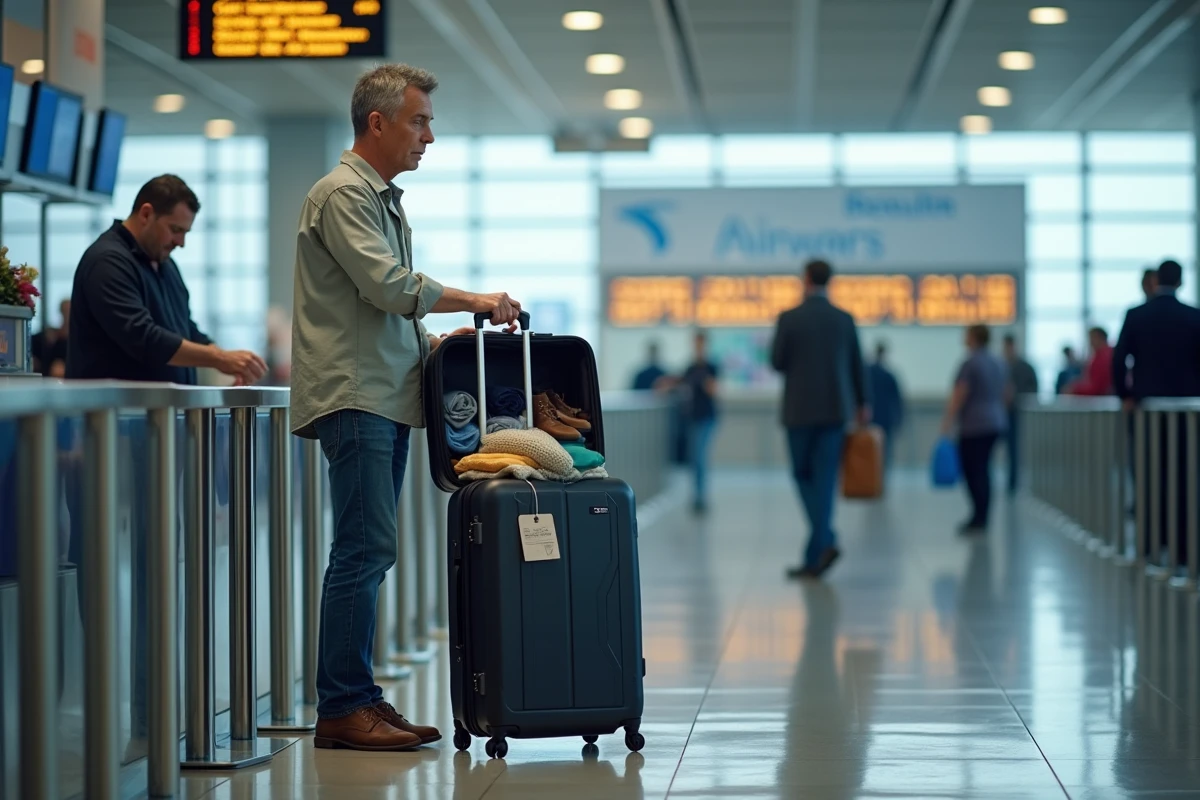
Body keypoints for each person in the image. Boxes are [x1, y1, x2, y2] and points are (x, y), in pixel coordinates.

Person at [290, 63, 523, 752]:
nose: (429, 135)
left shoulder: (382, 200)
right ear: (378, 122)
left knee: (371, 549)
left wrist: (432, 341)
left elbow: (381, 312)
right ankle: (340, 706)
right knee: (363, 550)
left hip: (383, 394)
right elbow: (388, 286)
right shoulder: (341, 195)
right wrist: (475, 300)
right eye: (419, 121)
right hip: (356, 397)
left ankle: (358, 695)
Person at [66, 175, 267, 384]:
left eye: (185, 232)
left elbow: (184, 329)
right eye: (175, 230)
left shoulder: (165, 265)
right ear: (146, 214)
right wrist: (219, 359)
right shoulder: (108, 261)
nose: (181, 243)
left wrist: (232, 364)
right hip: (112, 414)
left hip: (161, 413)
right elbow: (144, 338)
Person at [770, 259, 868, 580]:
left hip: (798, 411)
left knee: (802, 474)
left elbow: (777, 362)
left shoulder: (789, 318)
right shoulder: (844, 319)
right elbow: (857, 364)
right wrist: (863, 402)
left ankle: (824, 542)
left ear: (806, 279)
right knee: (825, 479)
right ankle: (818, 552)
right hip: (835, 410)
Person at [1113, 259, 1200, 565]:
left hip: (1147, 411)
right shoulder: (1194, 317)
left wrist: (1126, 395)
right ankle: (1185, 548)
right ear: (1180, 282)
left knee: (1149, 476)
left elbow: (1119, 359)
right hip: (1187, 415)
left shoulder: (1137, 316)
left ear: (1155, 281)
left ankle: (1151, 544)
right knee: (1186, 478)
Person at [942, 325, 1008, 534]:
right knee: (984, 469)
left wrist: (948, 421)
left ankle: (978, 516)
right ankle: (983, 515)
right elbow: (1007, 393)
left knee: (973, 470)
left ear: (973, 337)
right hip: (995, 422)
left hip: (974, 426)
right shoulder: (998, 362)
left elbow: (960, 393)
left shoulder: (970, 364)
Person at [661, 331, 719, 514]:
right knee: (695, 458)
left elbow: (713, 390)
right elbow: (680, 383)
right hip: (692, 418)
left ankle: (700, 497)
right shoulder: (690, 367)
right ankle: (697, 495)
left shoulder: (711, 367)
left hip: (707, 417)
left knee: (700, 457)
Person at [1001, 334, 1038, 494]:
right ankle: (1010, 480)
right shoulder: (1001, 366)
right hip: (1003, 412)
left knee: (1014, 448)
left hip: (1018, 412)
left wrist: (1018, 399)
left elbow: (1033, 388)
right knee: (1009, 449)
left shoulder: (1024, 367)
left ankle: (1013, 482)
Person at [867, 341, 904, 470]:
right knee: (885, 454)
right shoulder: (889, 376)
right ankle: (880, 481)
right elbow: (897, 401)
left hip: (870, 418)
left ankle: (869, 479)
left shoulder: (867, 373)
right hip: (886, 421)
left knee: (869, 452)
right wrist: (898, 421)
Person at [1066, 327, 1113, 396]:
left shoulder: (1103, 357)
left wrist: (1074, 389)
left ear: (1100, 338)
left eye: (1092, 338)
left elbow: (1097, 388)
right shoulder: (1104, 355)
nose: (1090, 343)